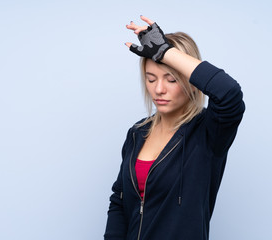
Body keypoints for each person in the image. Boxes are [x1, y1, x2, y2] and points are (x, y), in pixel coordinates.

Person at [104, 16, 245, 240]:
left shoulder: (208, 133)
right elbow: (119, 200)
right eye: (151, 79)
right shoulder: (137, 133)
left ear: (191, 80)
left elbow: (229, 94)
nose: (159, 89)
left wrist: (165, 53)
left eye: (171, 79)